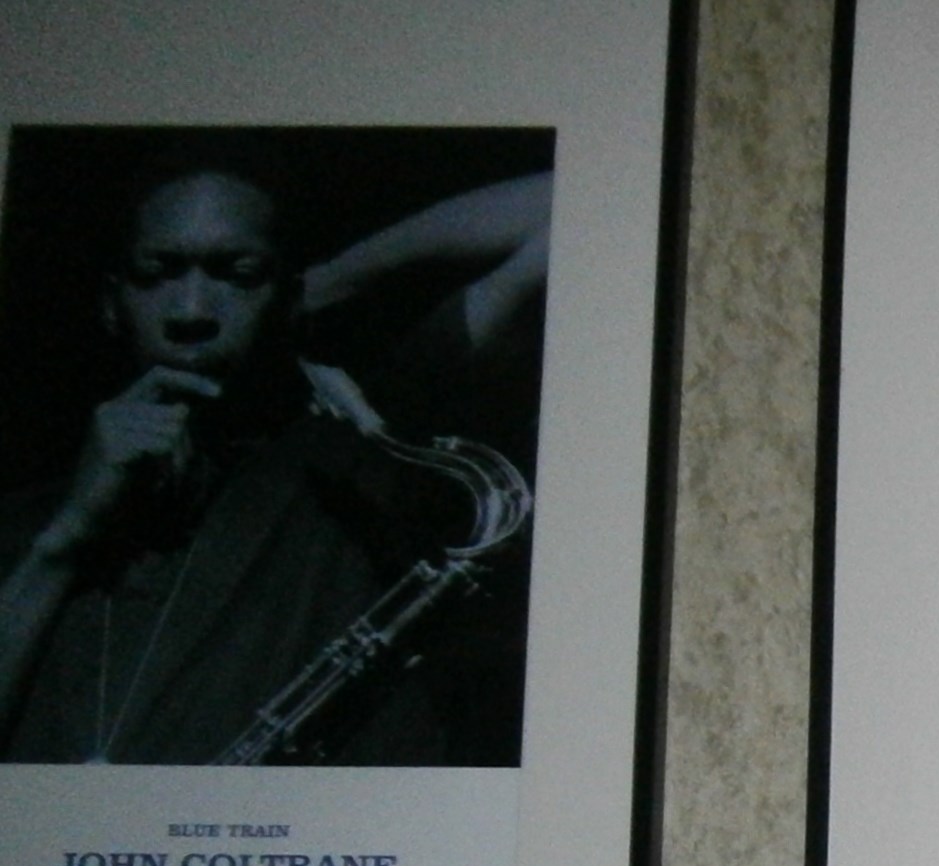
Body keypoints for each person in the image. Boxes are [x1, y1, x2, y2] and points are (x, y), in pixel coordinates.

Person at [0, 140, 548, 765]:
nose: (191, 312)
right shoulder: (29, 524)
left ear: (286, 297)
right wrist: (65, 540)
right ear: (110, 303)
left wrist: (326, 283)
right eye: (156, 274)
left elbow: (563, 210)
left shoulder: (355, 458)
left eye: (237, 276)